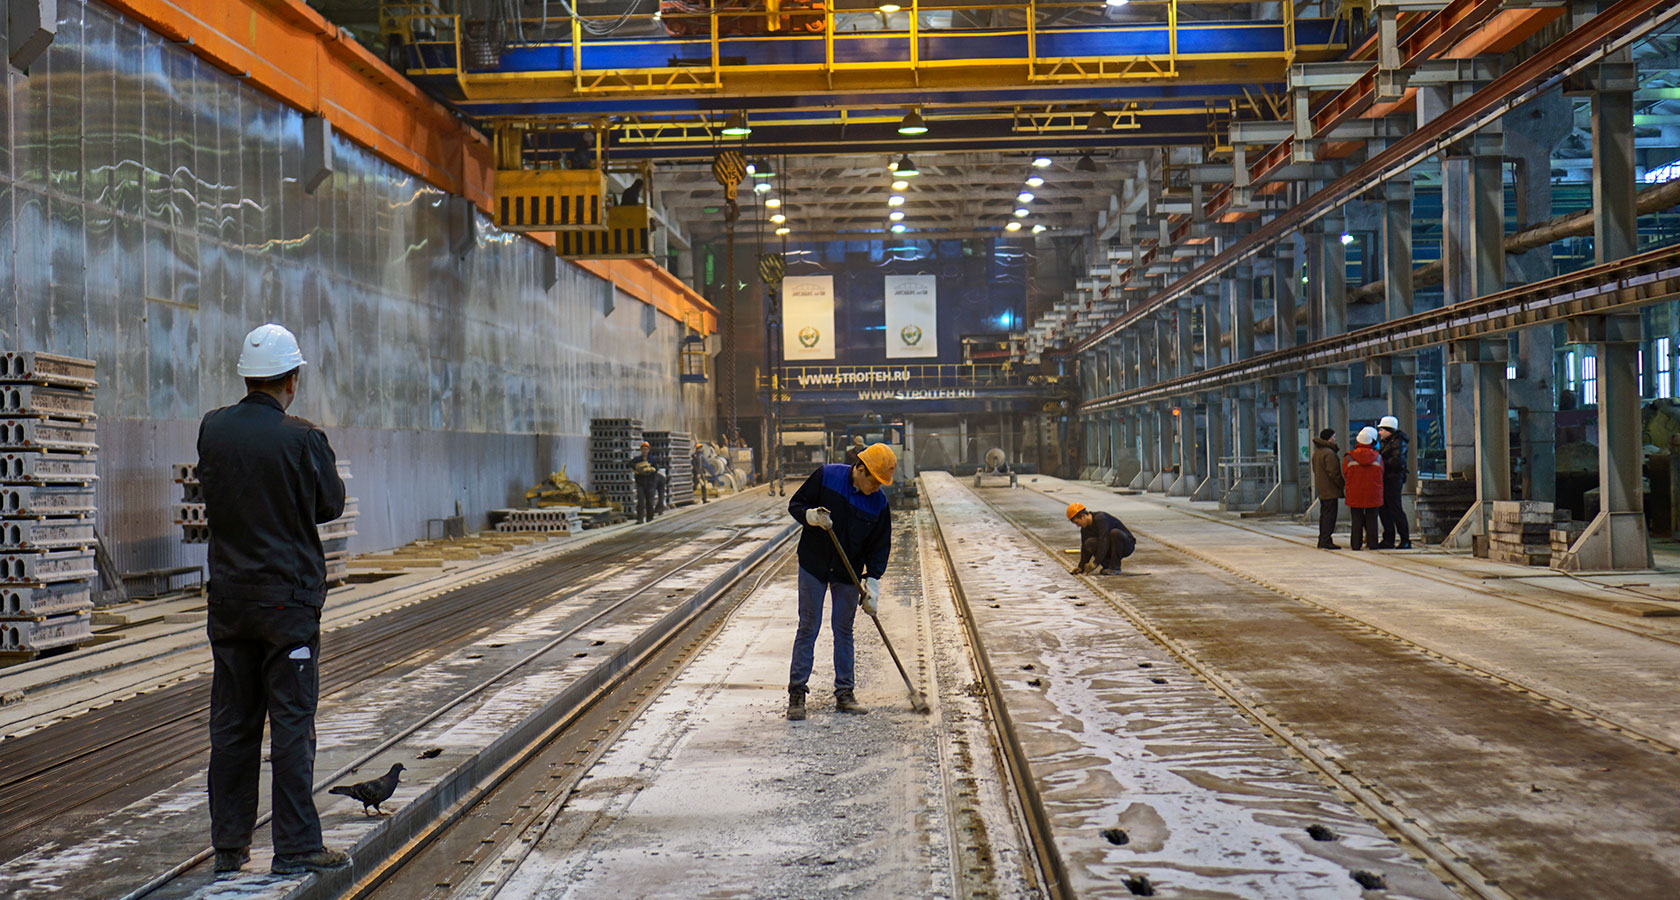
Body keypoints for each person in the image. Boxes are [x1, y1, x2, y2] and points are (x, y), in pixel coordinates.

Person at [197, 324, 349, 876]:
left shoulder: (212, 429)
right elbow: (329, 505)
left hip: (230, 603)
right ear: (293, 378)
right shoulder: (303, 437)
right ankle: (297, 847)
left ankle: (230, 846)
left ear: (246, 376)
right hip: (287, 605)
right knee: (290, 725)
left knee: (233, 726)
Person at [785, 443, 897, 720]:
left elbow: (879, 547)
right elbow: (796, 505)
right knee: (808, 627)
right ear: (860, 469)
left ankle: (845, 694)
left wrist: (872, 582)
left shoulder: (879, 504)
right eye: (875, 481)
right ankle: (797, 694)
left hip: (848, 571)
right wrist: (810, 517)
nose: (877, 488)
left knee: (843, 630)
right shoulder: (827, 476)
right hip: (814, 564)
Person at [1342, 426, 1385, 552]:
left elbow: (1345, 473)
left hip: (1355, 492)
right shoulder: (1378, 457)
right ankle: (1373, 543)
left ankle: (1356, 544)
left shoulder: (1349, 457)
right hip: (1373, 492)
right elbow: (1382, 472)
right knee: (1372, 519)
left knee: (1356, 520)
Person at [1375, 415, 1413, 549]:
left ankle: (1405, 540)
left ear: (1389, 430)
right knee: (1384, 509)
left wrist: (1380, 462)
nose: (1379, 432)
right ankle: (1388, 539)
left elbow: (1398, 462)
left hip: (1393, 480)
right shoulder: (1387, 442)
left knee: (1396, 509)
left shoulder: (1398, 442)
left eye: (1381, 430)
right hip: (1386, 479)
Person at [1066, 502, 1135, 575]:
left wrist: (1095, 563)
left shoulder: (1101, 518)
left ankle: (1115, 567)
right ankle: (1108, 566)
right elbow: (1085, 548)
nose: (1078, 525)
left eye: (1077, 522)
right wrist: (1081, 567)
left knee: (1114, 533)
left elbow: (1104, 540)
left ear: (1083, 516)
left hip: (1126, 545)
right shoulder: (1085, 529)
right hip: (1110, 546)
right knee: (1089, 543)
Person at [1310, 428, 1346, 550]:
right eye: (1334, 438)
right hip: (1330, 489)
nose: (1335, 440)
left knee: (1324, 515)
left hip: (1322, 489)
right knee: (1330, 516)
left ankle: (1323, 539)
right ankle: (1326, 539)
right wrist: (1342, 484)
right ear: (1329, 439)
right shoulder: (1329, 454)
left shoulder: (1317, 453)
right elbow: (1334, 473)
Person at [630, 440, 659, 523]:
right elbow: (630, 464)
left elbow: (656, 468)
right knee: (641, 501)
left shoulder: (652, 459)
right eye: (643, 449)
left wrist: (650, 470)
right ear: (641, 450)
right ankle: (640, 519)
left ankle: (650, 517)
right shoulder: (637, 459)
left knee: (650, 501)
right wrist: (638, 468)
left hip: (650, 482)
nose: (644, 451)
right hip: (640, 482)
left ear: (648, 450)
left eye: (646, 449)